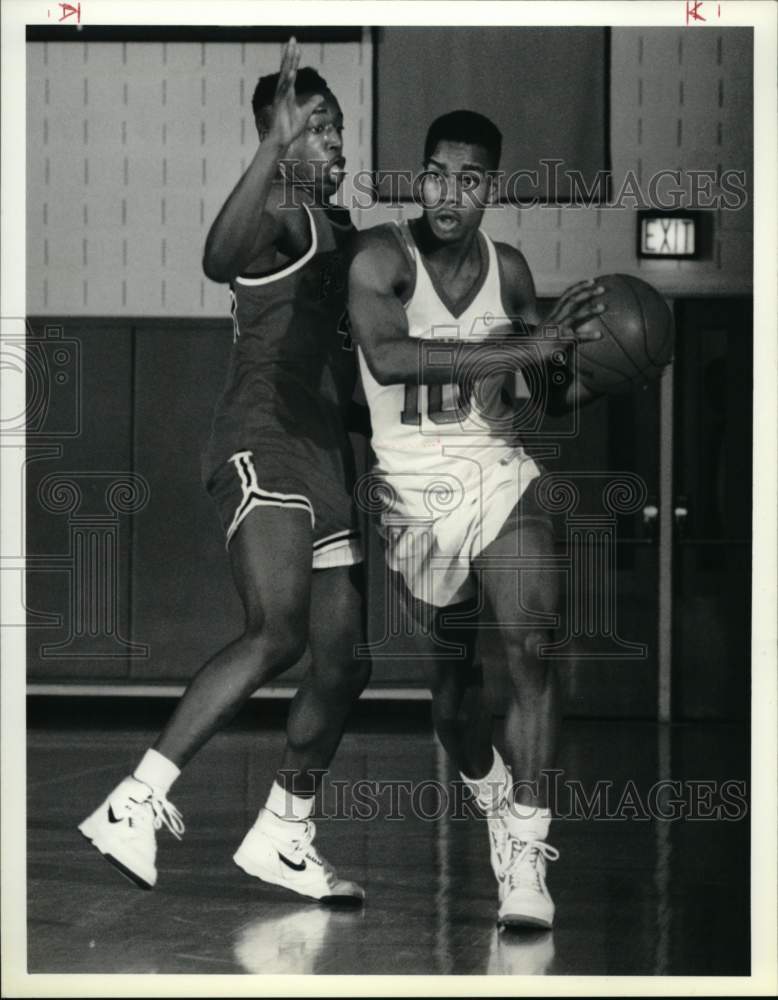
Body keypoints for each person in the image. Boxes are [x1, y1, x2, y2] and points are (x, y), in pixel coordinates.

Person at [79, 40, 369, 904]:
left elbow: (355, 371)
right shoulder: (278, 208)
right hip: (263, 440)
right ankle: (136, 802)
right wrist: (272, 149)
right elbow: (215, 257)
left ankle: (284, 831)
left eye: (338, 128)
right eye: (317, 128)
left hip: (326, 453)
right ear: (281, 135)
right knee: (277, 630)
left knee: (344, 664)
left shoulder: (347, 232)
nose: (335, 143)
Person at [348, 110, 605, 928]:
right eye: (435, 173)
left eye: (467, 178)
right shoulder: (381, 257)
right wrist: (521, 351)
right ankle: (494, 794)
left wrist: (602, 360)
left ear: (492, 187)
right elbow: (391, 358)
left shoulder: (513, 272)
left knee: (532, 637)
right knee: (455, 702)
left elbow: (550, 395)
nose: (447, 191)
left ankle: (526, 854)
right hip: (413, 499)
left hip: (499, 475)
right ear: (419, 178)